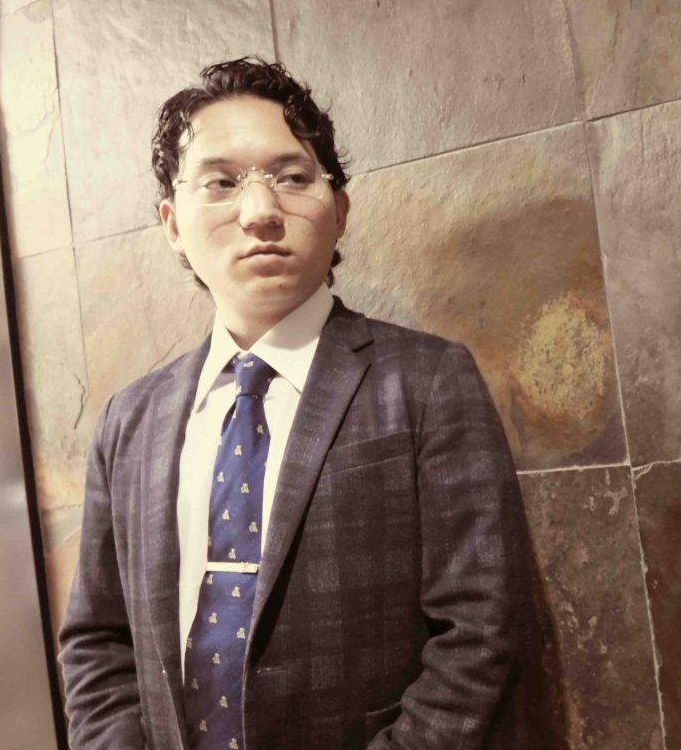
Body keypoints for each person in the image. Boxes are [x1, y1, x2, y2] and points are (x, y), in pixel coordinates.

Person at [58, 56, 530, 750]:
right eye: (221, 183)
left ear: (339, 211)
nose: (260, 212)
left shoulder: (427, 380)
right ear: (173, 223)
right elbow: (98, 642)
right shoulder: (129, 420)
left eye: (292, 177)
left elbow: (482, 630)